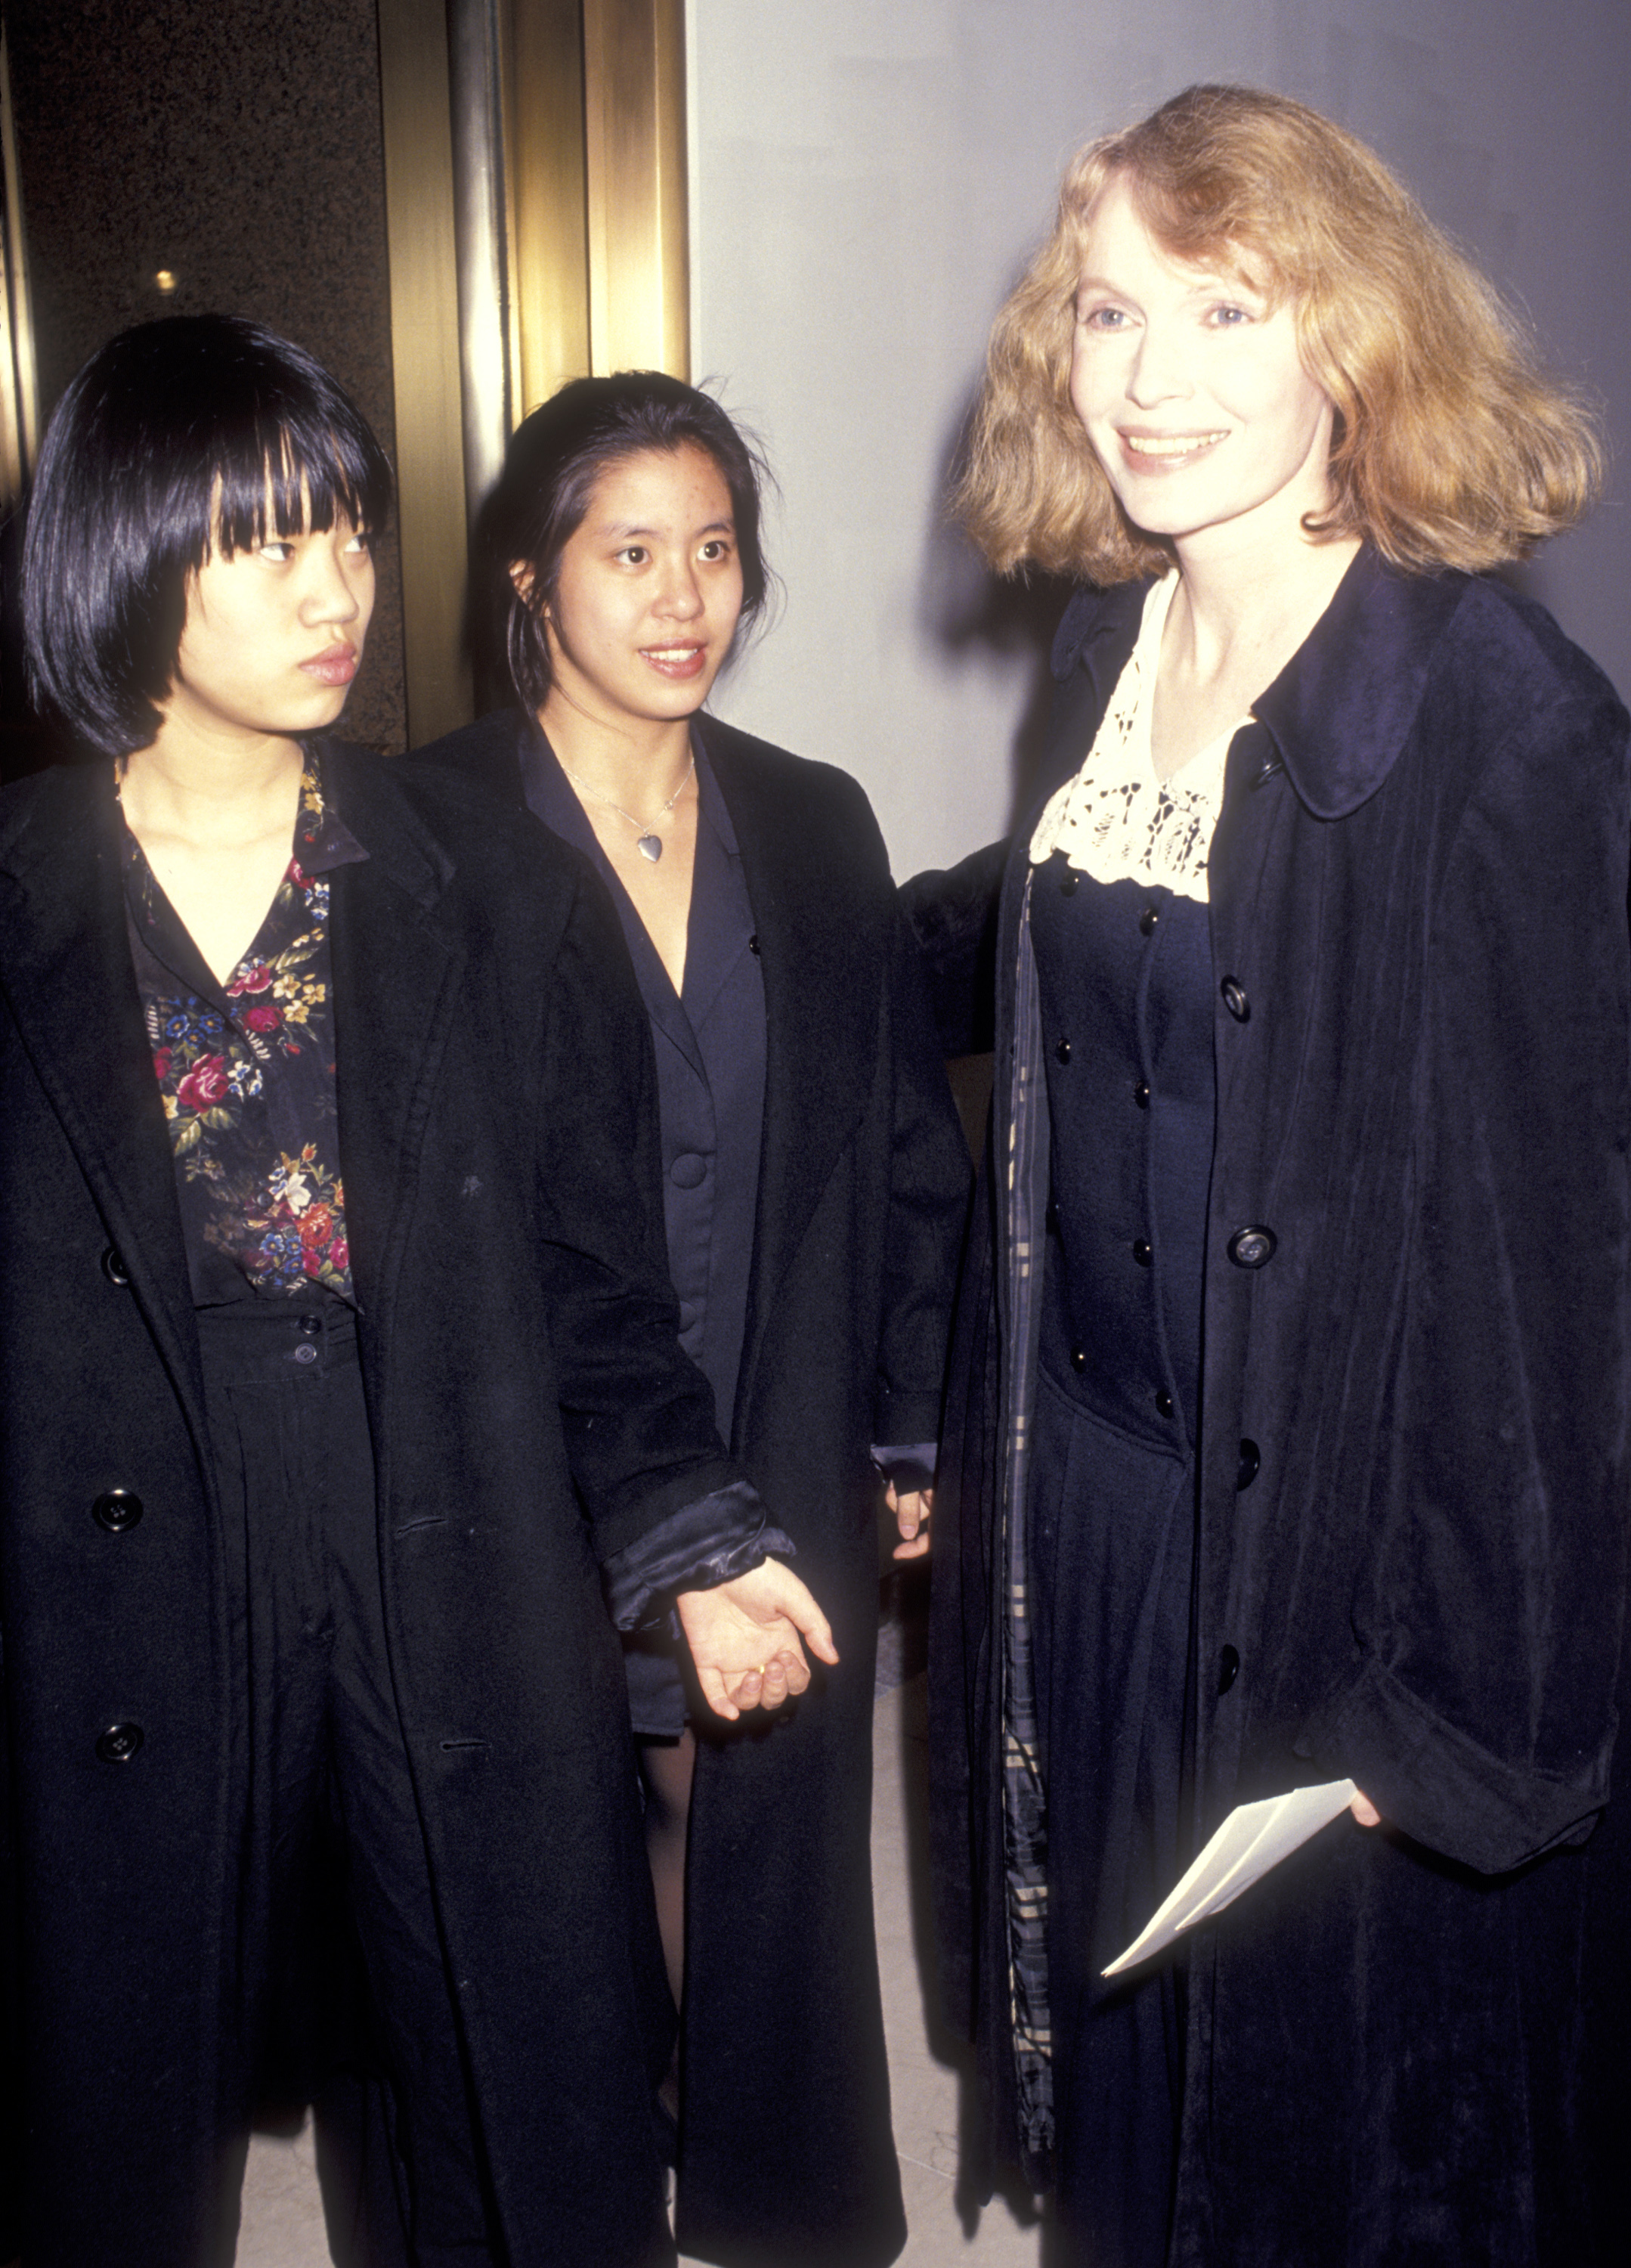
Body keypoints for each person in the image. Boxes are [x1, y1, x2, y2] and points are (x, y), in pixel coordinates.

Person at [1, 312, 840, 2268]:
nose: (336, 592)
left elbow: (586, 1275)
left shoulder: (487, 879)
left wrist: (689, 1535)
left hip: (438, 1533)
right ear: (125, 557)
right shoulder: (18, 894)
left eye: (351, 533)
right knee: (108, 2110)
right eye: (265, 544)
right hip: (118, 1569)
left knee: (497, 2095)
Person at [915, 84, 1631, 2268]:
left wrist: (1461, 1713)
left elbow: (1560, 1283)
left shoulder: (1502, 723)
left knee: (1331, 2138)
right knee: (1131, 2091)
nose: (1148, 379)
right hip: (1093, 1520)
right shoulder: (1100, 654)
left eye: (1222, 311)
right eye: (1107, 312)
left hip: (1336, 1562)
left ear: (1350, 334)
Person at [416, 372, 970, 2268]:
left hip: (772, 1394)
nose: (682, 599)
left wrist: (906, 1421)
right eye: (630, 552)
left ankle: (739, 2167)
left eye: (713, 549)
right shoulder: (426, 834)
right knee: (568, 1825)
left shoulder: (811, 822)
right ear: (530, 576)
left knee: (744, 1810)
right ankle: (605, 2138)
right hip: (531, 1432)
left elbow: (900, 1142)